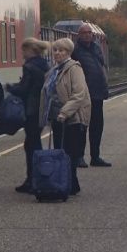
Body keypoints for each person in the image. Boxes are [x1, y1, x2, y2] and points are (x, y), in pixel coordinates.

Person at [40, 38, 91, 195]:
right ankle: (64, 183)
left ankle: (70, 184)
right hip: (57, 117)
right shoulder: (54, 70)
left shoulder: (74, 69)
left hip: (73, 117)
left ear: (68, 52)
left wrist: (65, 112)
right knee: (60, 151)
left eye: (61, 50)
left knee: (69, 152)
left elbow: (79, 93)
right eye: (55, 50)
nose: (57, 53)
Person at [7, 37, 51, 193]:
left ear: (30, 50)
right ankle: (34, 178)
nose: (22, 53)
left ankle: (33, 180)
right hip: (41, 108)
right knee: (34, 143)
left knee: (31, 145)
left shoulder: (29, 66)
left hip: (31, 110)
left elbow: (24, 89)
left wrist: (10, 88)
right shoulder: (45, 65)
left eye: (23, 50)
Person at [72, 23, 110, 167]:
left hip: (98, 93)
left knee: (97, 126)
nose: (88, 35)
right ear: (79, 35)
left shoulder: (96, 48)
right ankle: (79, 157)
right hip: (84, 95)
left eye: (89, 32)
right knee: (82, 126)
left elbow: (101, 66)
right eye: (84, 33)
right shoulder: (75, 51)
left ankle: (95, 157)